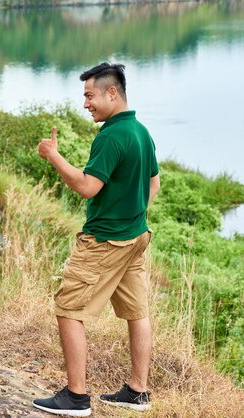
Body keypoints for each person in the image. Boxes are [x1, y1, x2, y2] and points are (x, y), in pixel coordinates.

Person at [32, 63, 160, 416]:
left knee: (68, 308)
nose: (86, 103)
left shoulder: (111, 136)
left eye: (90, 95)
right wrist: (131, 216)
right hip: (136, 237)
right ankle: (137, 392)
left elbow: (88, 187)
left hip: (105, 241)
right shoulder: (140, 131)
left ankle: (75, 397)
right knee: (138, 312)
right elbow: (154, 185)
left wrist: (53, 156)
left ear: (111, 93)